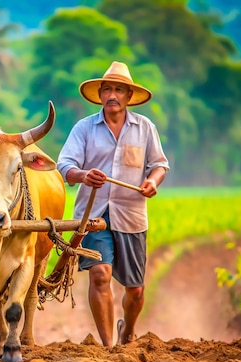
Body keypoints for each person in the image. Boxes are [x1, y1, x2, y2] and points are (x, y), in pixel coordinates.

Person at [56, 61, 170, 347]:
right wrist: (83, 175)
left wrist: (153, 182)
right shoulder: (84, 128)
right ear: (100, 95)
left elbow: (159, 165)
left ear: (129, 96)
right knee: (99, 275)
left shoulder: (145, 128)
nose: (112, 95)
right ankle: (108, 347)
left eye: (119, 90)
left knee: (135, 290)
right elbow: (65, 165)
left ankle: (128, 330)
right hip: (93, 216)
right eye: (107, 89)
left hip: (131, 216)